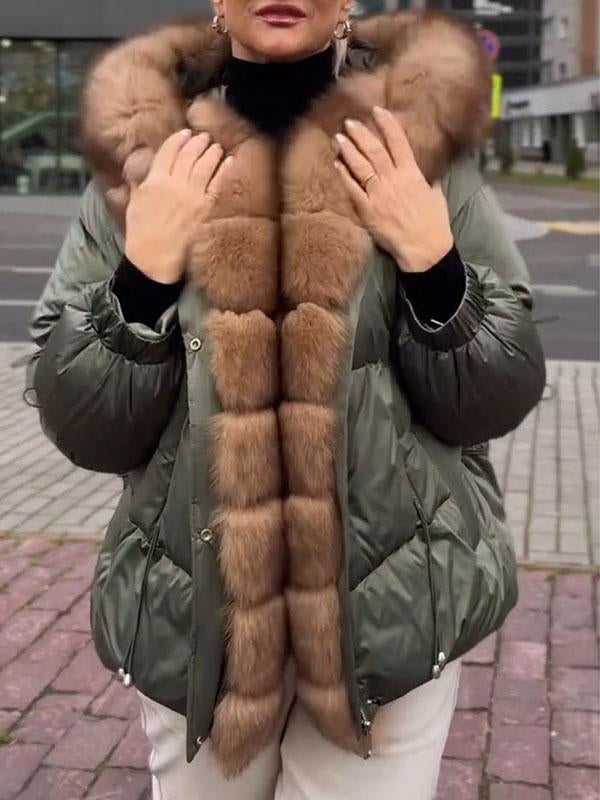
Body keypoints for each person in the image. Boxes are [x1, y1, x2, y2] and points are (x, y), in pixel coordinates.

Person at [28, 3, 546, 799]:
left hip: (394, 607)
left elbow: (496, 397)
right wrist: (141, 281)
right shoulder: (147, 155)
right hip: (195, 619)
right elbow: (82, 424)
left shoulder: (418, 144)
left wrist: (433, 263)